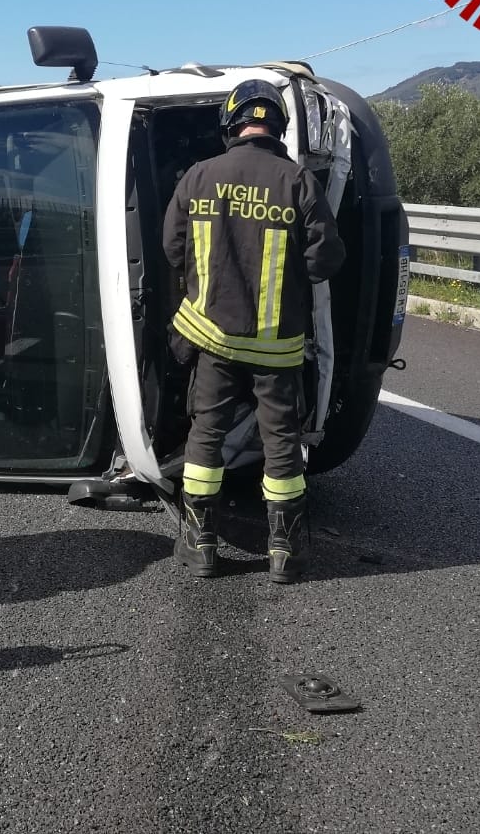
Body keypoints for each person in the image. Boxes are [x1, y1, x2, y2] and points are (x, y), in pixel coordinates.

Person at [161, 79, 345, 584]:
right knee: (281, 440)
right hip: (276, 345)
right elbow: (327, 258)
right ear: (278, 127)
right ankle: (284, 551)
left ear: (231, 123)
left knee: (207, 434)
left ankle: (200, 545)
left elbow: (173, 250)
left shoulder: (199, 177)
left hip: (212, 338)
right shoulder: (298, 181)